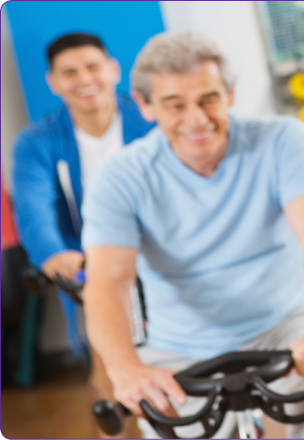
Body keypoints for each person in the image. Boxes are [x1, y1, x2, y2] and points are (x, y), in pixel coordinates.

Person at [80, 32, 304, 438]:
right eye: (175, 105)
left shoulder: (283, 139)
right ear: (146, 106)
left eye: (208, 99)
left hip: (284, 322)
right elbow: (109, 283)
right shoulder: (120, 177)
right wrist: (124, 366)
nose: (197, 118)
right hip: (180, 344)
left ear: (230, 94)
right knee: (161, 414)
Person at [10, 32, 155, 433]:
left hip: (163, 256)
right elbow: (33, 208)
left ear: (113, 70)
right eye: (69, 72)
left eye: (92, 67)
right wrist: (54, 255)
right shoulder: (37, 142)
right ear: (53, 82)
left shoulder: (150, 120)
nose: (84, 78)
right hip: (94, 267)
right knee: (109, 369)